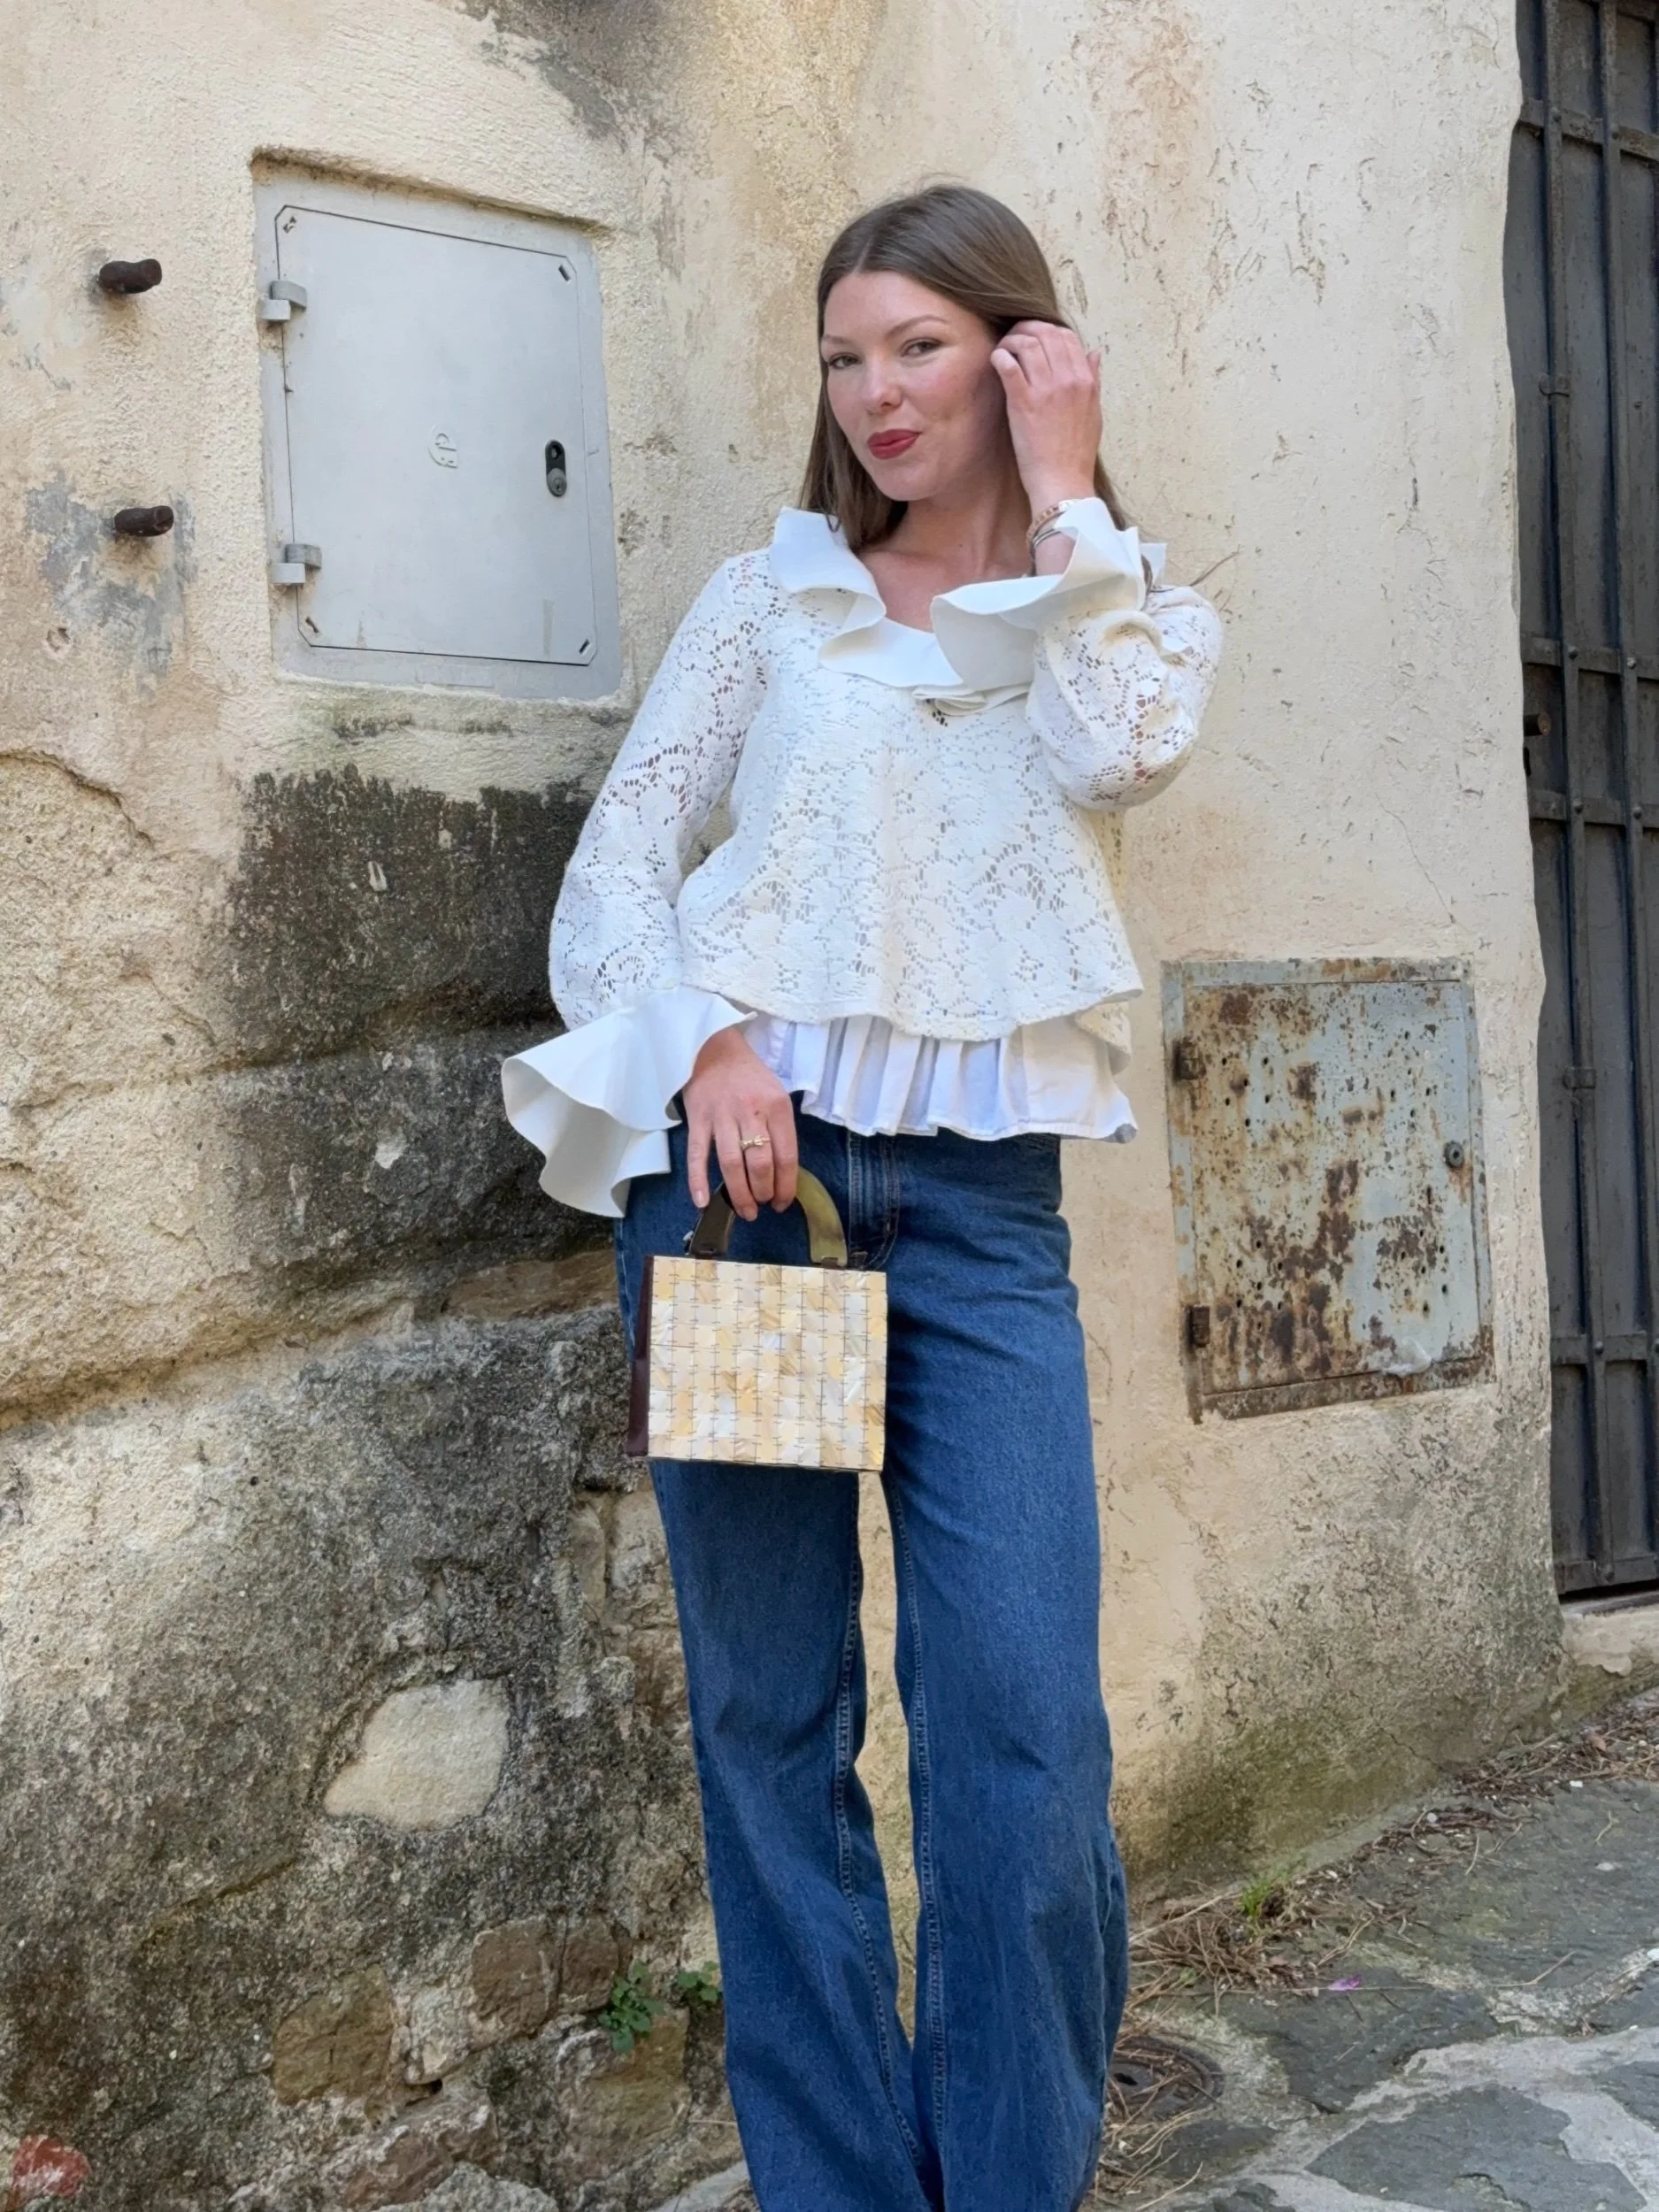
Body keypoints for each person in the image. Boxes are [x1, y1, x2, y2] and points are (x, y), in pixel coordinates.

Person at [503, 182, 1223, 2212]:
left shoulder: (1125, 613)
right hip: (751, 1203)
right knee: (772, 1722)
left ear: (1019, 352)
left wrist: (1066, 492)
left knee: (1024, 1733)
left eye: (919, 345)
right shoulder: (775, 598)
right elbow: (624, 859)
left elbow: (1116, 757)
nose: (876, 392)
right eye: (845, 354)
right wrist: (705, 1045)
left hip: (984, 1225)